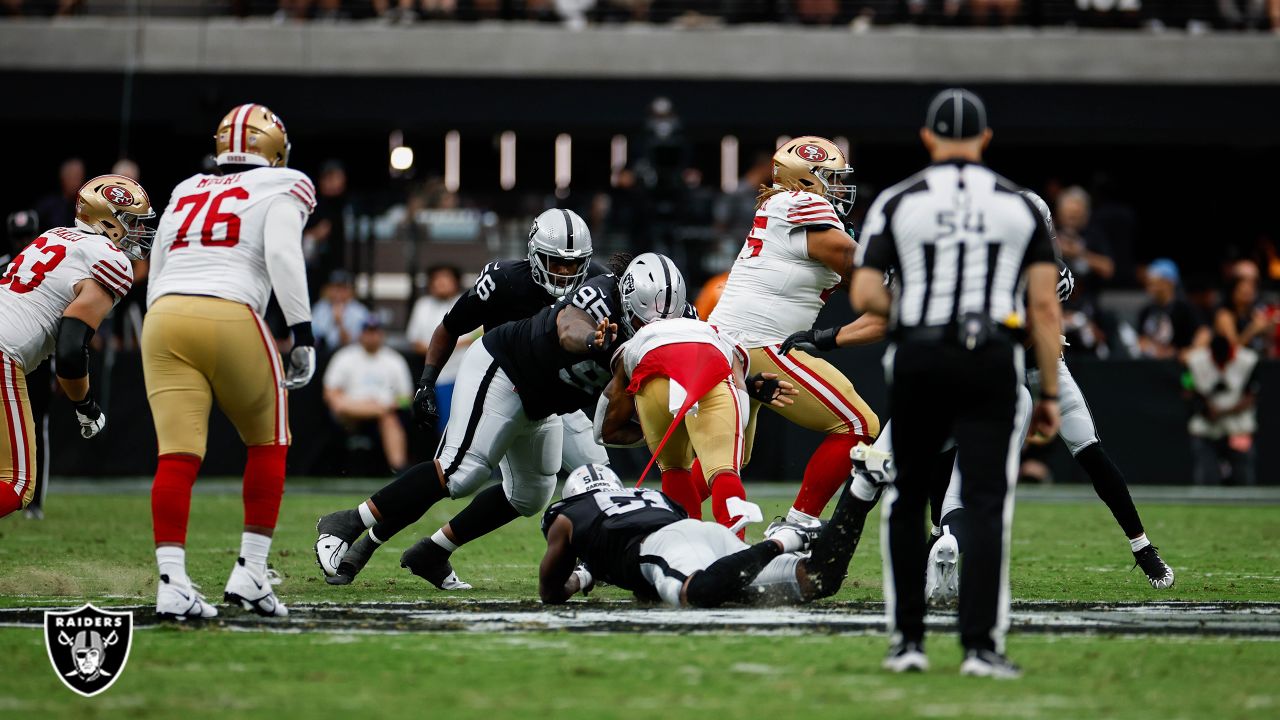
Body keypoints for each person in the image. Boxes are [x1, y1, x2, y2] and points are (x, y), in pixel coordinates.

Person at [786, 192, 1176, 593]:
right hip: (991, 380)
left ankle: (1141, 546)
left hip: (1004, 373)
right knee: (955, 480)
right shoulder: (978, 266)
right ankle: (935, 542)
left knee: (888, 466)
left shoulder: (999, 268)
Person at [314, 250, 680, 591]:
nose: (650, 331)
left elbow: (608, 429)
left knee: (531, 492)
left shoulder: (675, 319)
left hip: (550, 400)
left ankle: (433, 551)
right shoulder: (593, 295)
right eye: (641, 321)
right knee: (461, 471)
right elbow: (569, 327)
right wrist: (592, 341)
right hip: (505, 370)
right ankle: (348, 521)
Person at [852, 88, 1061, 678]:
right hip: (991, 356)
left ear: (927, 138)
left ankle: (907, 644)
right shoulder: (1019, 206)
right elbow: (1045, 308)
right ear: (986, 140)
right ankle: (979, 648)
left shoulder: (898, 200)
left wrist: (914, 312)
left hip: (921, 351)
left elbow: (866, 293)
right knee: (988, 506)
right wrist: (1047, 393)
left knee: (906, 499)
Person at [143, 103, 317, 620]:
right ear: (276, 150)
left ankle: (171, 581)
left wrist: (159, 315)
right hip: (230, 311)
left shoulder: (185, 187)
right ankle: (251, 572)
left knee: (176, 455)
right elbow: (284, 253)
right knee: (270, 441)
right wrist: (301, 331)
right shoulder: (286, 182)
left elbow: (158, 263)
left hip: (165, 315)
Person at [707, 135, 881, 528]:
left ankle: (642, 526)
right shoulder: (802, 204)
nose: (839, 188)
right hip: (760, 342)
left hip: (728, 342)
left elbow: (873, 298)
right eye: (831, 178)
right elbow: (859, 263)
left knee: (721, 462)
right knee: (857, 424)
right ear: (806, 180)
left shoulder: (783, 205)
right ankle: (799, 526)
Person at [0, 176, 151, 519]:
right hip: (4, 354)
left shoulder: (52, 236)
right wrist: (86, 406)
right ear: (108, 221)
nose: (140, 232)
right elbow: (70, 352)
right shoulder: (111, 260)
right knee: (17, 485)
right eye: (133, 221)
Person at [539, 464, 870, 609]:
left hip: (662, 546)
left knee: (695, 593)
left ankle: (783, 539)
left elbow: (551, 591)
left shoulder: (568, 515)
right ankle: (862, 489)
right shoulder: (649, 498)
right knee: (816, 579)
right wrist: (589, 572)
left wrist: (574, 580)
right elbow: (618, 547)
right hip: (705, 535)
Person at [596, 310, 798, 527]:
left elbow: (604, 431)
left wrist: (653, 432)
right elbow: (739, 394)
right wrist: (727, 431)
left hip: (651, 377)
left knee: (674, 468)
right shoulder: (713, 332)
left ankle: (684, 544)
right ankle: (735, 546)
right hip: (711, 370)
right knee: (723, 468)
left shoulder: (631, 343)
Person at [323, 316, 414, 473]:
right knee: (340, 405)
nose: (371, 336)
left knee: (389, 419)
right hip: (350, 415)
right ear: (361, 334)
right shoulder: (345, 356)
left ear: (381, 334)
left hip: (384, 413)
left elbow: (407, 397)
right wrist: (370, 407)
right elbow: (330, 394)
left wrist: (386, 407)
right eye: (368, 332)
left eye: (375, 332)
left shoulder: (394, 360)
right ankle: (377, 411)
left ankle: (398, 468)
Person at [1185, 334, 1260, 486]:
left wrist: (1224, 412)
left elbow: (1252, 395)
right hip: (1206, 429)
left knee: (1242, 478)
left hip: (1238, 428)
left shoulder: (1248, 360)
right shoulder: (1195, 361)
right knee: (1207, 478)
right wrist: (1205, 408)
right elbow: (1187, 387)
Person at [405, 264, 469, 429]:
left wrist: (443, 345)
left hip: (465, 374)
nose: (441, 282)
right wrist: (438, 349)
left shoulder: (467, 301)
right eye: (437, 279)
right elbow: (414, 341)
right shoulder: (422, 305)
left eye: (446, 278)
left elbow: (479, 334)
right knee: (443, 424)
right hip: (437, 378)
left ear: (456, 281)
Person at [1136, 259, 1208, 360]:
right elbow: (1140, 341)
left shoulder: (1185, 309)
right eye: (1149, 282)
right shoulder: (1145, 311)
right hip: (1150, 366)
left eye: (1156, 282)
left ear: (1169, 283)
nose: (1151, 286)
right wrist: (1152, 349)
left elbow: (1204, 333)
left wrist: (1191, 351)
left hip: (1178, 367)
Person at [1215, 273, 1275, 356]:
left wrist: (1269, 326)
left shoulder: (1253, 312)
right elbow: (1232, 348)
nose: (1248, 293)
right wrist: (1252, 330)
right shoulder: (1225, 315)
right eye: (1243, 292)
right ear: (1233, 292)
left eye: (1251, 290)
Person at [311, 269, 369, 351]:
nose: (338, 293)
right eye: (335, 288)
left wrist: (340, 323)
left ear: (350, 290)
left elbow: (352, 342)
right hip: (322, 354)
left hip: (348, 354)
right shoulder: (320, 308)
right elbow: (312, 338)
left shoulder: (359, 311)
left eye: (343, 288)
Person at [35, 158, 85, 231]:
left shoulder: (86, 207)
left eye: (80, 177)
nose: (77, 182)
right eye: (74, 177)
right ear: (63, 178)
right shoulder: (47, 206)